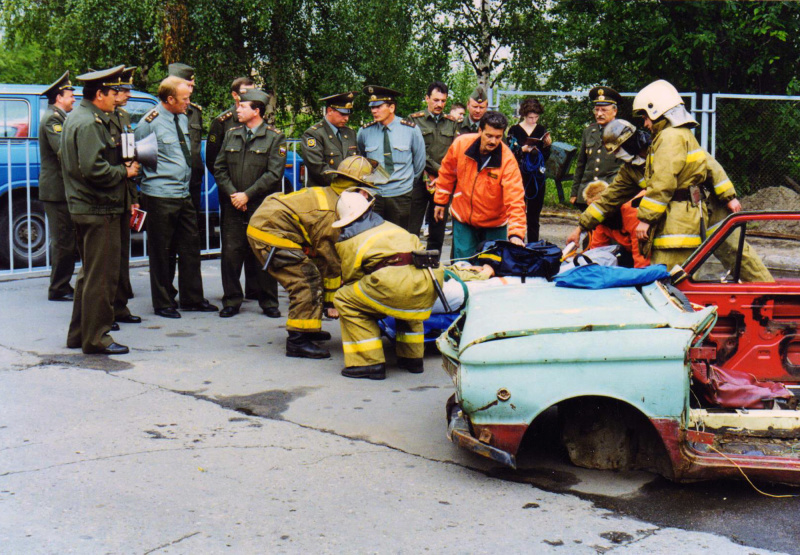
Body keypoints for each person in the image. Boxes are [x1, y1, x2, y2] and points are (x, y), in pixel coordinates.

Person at [247, 156, 389, 359]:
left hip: (274, 226)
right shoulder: (333, 211)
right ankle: (298, 341)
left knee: (311, 271)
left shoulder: (335, 196)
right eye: (368, 191)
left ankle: (309, 326)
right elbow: (329, 259)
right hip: (270, 233)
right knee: (306, 280)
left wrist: (330, 300)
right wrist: (332, 302)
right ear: (359, 188)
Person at [60, 65, 139, 355]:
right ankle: (97, 338)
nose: (117, 96)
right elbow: (94, 169)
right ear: (99, 94)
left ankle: (80, 333)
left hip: (91, 206)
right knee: (102, 276)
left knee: (90, 274)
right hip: (98, 207)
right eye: (113, 91)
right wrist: (125, 172)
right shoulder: (90, 122)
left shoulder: (80, 116)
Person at [333, 188, 443, 380]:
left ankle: (369, 362)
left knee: (344, 298)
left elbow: (351, 277)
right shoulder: (392, 227)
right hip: (426, 283)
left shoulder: (351, 240)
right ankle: (413, 359)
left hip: (394, 286)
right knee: (408, 299)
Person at [135, 76, 218, 318]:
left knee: (191, 247)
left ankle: (192, 298)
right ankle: (163, 302)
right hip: (160, 194)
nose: (189, 102)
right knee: (162, 251)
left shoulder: (181, 117)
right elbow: (137, 161)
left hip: (183, 192)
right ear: (169, 99)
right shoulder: (148, 123)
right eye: (184, 98)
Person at [212, 89, 283, 318]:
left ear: (257, 110)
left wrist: (247, 195)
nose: (237, 110)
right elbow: (219, 168)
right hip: (235, 205)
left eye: (242, 107)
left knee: (264, 254)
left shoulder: (275, 137)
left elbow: (274, 174)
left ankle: (269, 301)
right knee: (231, 255)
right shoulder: (232, 134)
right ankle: (232, 300)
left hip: (260, 206)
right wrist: (234, 194)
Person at [433, 111, 527, 260]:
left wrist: (516, 234)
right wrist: (440, 201)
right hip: (463, 218)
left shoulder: (508, 160)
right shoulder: (461, 144)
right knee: (462, 266)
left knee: (491, 268)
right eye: (489, 136)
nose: (493, 141)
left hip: (494, 224)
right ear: (479, 131)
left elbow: (515, 199)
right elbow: (447, 172)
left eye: (498, 137)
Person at [356, 85, 425, 229]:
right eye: (372, 107)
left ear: (391, 108)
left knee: (399, 241)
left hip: (401, 195)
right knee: (375, 241)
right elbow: (362, 161)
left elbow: (419, 165)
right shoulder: (364, 132)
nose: (374, 111)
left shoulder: (410, 130)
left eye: (379, 106)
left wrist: (405, 185)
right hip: (374, 196)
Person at [108, 66, 142, 325]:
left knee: (121, 257)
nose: (128, 94)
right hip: (106, 195)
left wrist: (133, 198)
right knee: (107, 260)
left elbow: (129, 159)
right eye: (124, 90)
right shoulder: (101, 119)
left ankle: (119, 306)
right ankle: (105, 311)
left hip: (122, 194)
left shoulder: (121, 116)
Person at [407, 81, 459, 253]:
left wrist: (442, 176)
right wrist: (438, 170)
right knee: (412, 228)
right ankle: (410, 263)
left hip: (442, 183)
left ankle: (433, 263)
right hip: (420, 181)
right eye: (436, 100)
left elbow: (454, 152)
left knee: (438, 228)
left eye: (443, 101)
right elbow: (416, 152)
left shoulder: (451, 123)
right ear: (427, 98)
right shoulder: (414, 121)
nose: (439, 105)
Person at [38, 71, 76, 302]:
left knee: (67, 240)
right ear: (59, 97)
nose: (73, 99)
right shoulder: (53, 119)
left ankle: (62, 284)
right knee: (63, 242)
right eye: (70, 94)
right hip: (57, 192)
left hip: (61, 190)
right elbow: (63, 151)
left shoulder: (60, 118)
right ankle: (58, 288)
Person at [506, 97, 552, 242]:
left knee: (534, 215)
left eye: (536, 117)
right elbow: (509, 152)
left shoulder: (541, 130)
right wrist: (522, 149)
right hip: (518, 175)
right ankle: (517, 243)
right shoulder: (514, 130)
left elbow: (545, 156)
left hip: (537, 177)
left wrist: (547, 145)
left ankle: (533, 245)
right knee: (518, 212)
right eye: (530, 117)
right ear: (524, 115)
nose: (533, 120)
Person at [570, 86, 623, 210]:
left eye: (604, 110)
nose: (599, 114)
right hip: (587, 193)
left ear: (614, 111)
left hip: (610, 193)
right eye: (597, 110)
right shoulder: (589, 132)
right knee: (587, 227)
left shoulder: (623, 132)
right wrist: (575, 192)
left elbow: (627, 167)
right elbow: (581, 164)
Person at [300, 91, 358, 188]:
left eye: (348, 114)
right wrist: (343, 183)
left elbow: (357, 162)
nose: (346, 118)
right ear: (330, 111)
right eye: (342, 114)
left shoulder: (350, 133)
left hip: (348, 192)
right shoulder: (314, 134)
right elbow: (317, 168)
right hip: (323, 193)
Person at [168, 63, 204, 214]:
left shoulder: (194, 112)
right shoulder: (160, 114)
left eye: (192, 86)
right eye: (187, 86)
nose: (190, 91)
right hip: (170, 185)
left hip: (192, 182)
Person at [205, 77, 255, 174]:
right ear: (234, 95)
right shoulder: (222, 122)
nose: (251, 96)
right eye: (245, 92)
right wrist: (226, 184)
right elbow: (212, 160)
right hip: (230, 185)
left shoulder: (259, 119)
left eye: (253, 92)